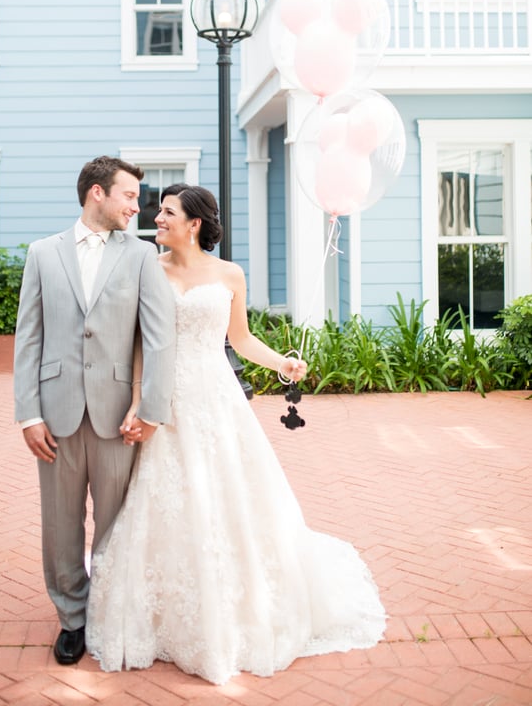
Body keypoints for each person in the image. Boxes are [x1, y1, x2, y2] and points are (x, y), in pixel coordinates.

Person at [86, 183, 386, 685]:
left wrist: (282, 363)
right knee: (165, 499)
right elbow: (141, 344)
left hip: (215, 399)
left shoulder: (229, 274)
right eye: (157, 211)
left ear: (193, 224)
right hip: (166, 402)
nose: (156, 218)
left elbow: (241, 339)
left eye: (167, 212)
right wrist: (140, 400)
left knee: (228, 496)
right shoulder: (148, 270)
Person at [13, 156, 176, 667]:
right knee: (60, 526)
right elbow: (28, 338)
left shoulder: (142, 256)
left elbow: (159, 338)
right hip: (54, 416)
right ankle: (72, 618)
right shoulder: (42, 254)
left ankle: (108, 611)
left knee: (115, 523)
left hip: (116, 418)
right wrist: (28, 414)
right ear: (96, 194)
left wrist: (151, 407)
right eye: (129, 196)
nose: (138, 206)